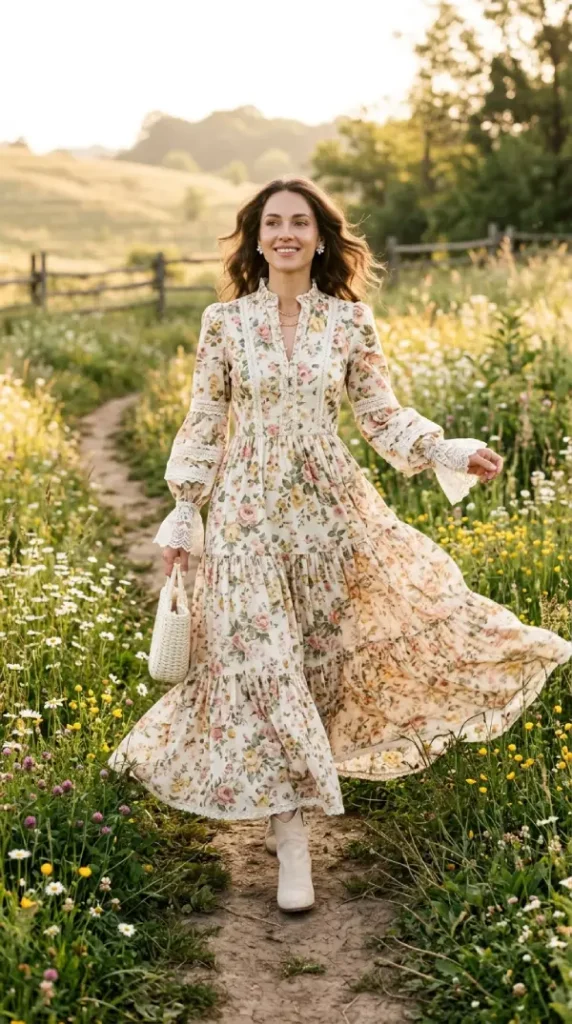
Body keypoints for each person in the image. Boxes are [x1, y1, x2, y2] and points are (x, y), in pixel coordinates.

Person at [107, 176, 572, 914]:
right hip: (247, 516)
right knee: (267, 665)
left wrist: (448, 450)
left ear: (321, 237)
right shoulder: (223, 324)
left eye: (299, 222)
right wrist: (186, 514)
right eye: (272, 223)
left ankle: (295, 796)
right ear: (256, 239)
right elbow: (203, 421)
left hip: (331, 511)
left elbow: (381, 418)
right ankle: (292, 838)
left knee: (324, 661)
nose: (285, 233)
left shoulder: (350, 323)